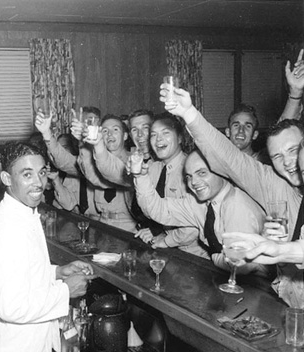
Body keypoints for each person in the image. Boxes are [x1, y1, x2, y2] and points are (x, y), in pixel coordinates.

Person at [160, 85, 303, 305]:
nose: (288, 162)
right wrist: (190, 114)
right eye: (277, 156)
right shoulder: (277, 185)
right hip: (289, 301)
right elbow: (231, 160)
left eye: (293, 151)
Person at [0, 141, 95, 352]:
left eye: (42, 172)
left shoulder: (23, 211)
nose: (37, 182)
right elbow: (11, 307)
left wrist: (57, 272)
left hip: (25, 348)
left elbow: (24, 271)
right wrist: (65, 292)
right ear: (7, 178)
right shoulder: (8, 229)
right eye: (26, 174)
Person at [129, 149, 269, 276]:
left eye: (202, 173)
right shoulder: (198, 203)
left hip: (256, 285)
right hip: (226, 276)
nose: (194, 182)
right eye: (189, 176)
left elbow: (240, 264)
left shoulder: (236, 205)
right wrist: (141, 176)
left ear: (221, 172)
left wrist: (214, 256)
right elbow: (158, 209)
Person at [93, 112, 207, 258]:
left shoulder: (190, 170)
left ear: (180, 138)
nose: (158, 139)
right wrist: (98, 146)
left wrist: (165, 238)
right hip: (164, 249)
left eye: (165, 133)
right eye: (153, 135)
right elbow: (116, 173)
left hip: (191, 254)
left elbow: (193, 226)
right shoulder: (154, 167)